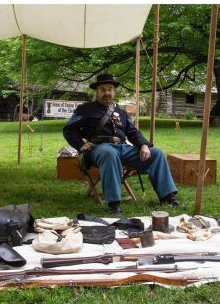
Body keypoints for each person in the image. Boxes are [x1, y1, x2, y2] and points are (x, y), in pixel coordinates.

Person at [63, 73, 180, 217]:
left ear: (114, 91)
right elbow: (69, 130)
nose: (107, 93)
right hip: (99, 149)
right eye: (103, 89)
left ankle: (168, 196)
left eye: (110, 89)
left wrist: (143, 145)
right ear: (97, 91)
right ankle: (114, 204)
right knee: (109, 153)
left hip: (123, 148)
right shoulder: (85, 109)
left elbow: (132, 132)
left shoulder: (121, 112)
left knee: (156, 153)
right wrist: (80, 145)